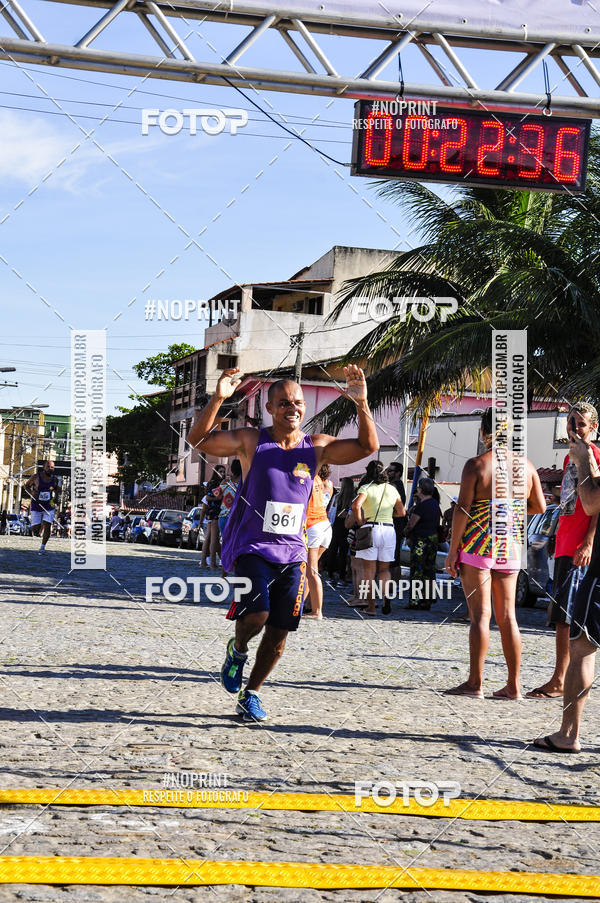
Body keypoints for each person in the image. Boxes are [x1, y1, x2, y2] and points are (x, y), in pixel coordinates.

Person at [187, 365, 378, 721]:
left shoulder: (316, 447)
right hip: (251, 547)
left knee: (279, 631)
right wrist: (219, 398)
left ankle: (252, 693)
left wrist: (361, 403)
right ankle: (238, 648)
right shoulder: (250, 441)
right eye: (284, 402)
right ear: (271, 409)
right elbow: (198, 440)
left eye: (298, 402)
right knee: (256, 613)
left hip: (293, 552)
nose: (293, 407)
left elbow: (367, 446)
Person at [445, 408, 546, 699]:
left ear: (483, 432)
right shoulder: (526, 467)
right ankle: (514, 685)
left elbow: (463, 509)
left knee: (480, 616)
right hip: (510, 546)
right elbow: (539, 506)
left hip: (478, 545)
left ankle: (475, 683)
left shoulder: (476, 465)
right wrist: (509, 510)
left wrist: (453, 550)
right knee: (508, 617)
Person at [533, 422, 600, 753]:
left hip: (596, 567)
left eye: (580, 424)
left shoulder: (591, 454)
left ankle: (569, 735)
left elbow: (591, 503)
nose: (574, 428)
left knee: (583, 647)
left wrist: (585, 459)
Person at [351, 460, 406, 616]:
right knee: (384, 570)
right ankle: (386, 597)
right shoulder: (392, 489)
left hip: (371, 529)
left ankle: (371, 607)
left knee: (369, 571)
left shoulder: (366, 488)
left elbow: (356, 506)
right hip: (389, 530)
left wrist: (361, 520)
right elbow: (402, 512)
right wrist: (389, 515)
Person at [404, 477, 441, 610]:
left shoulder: (421, 506)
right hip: (432, 539)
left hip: (420, 540)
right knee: (429, 570)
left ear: (421, 489)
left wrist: (406, 533)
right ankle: (428, 599)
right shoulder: (435, 504)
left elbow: (411, 524)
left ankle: (415, 600)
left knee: (417, 570)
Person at [304, 464, 334, 620]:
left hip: (312, 525)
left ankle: (317, 611)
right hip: (325, 524)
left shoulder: (310, 479)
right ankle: (300, 605)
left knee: (311, 571)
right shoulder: (328, 484)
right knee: (309, 571)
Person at [24, 460, 59, 552]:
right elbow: (26, 486)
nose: (50, 469)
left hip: (49, 504)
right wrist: (32, 493)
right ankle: (38, 528)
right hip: (37, 504)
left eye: (52, 467)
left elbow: (57, 490)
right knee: (36, 529)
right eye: (48, 466)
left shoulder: (55, 479)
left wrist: (56, 499)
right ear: (44, 467)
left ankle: (43, 546)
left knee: (48, 525)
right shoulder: (36, 477)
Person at [215, 460, 242, 575]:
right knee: (237, 545)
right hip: (236, 518)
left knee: (226, 544)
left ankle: (224, 572)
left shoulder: (226, 482)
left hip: (223, 517)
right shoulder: (244, 483)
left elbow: (217, 496)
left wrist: (222, 485)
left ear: (232, 470)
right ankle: (237, 570)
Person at [327, 477, 355, 586]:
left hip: (336, 526)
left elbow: (331, 512)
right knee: (343, 553)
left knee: (332, 551)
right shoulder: (353, 498)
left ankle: (330, 575)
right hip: (346, 527)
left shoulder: (337, 497)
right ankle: (342, 577)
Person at [199, 472, 223, 568]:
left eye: (224, 471)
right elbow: (208, 498)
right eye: (221, 471)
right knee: (214, 539)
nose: (223, 473)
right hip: (215, 513)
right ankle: (212, 563)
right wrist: (219, 498)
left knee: (208, 538)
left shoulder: (212, 483)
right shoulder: (215, 483)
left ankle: (203, 562)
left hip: (210, 514)